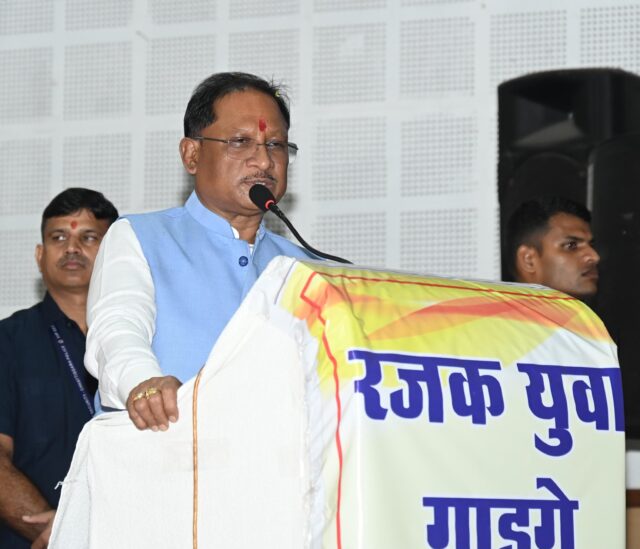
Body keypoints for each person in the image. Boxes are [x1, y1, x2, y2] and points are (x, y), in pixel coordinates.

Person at [85, 72, 317, 433]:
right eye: (241, 142)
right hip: (164, 450)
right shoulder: (140, 237)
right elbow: (117, 331)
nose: (263, 161)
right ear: (192, 154)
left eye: (275, 145)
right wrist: (143, 383)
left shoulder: (309, 270)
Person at [0, 188, 118, 548]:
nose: (72, 248)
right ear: (40, 255)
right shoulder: (8, 341)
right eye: (59, 238)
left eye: (89, 238)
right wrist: (60, 532)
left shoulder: (145, 341)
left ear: (115, 254)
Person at [504, 196, 600, 299]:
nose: (595, 257)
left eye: (591, 245)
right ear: (529, 260)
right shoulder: (497, 310)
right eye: (571, 245)